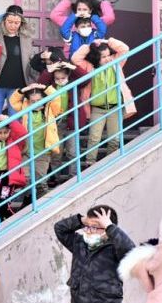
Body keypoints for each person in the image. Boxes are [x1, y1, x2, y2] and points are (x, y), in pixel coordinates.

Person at [54, 205, 136, 303]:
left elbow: (131, 251)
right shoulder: (79, 243)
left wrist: (110, 226)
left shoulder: (115, 248)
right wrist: (82, 220)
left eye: (95, 227)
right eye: (87, 226)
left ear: (107, 229)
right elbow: (59, 228)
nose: (89, 231)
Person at [71, 38, 137, 167]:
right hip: (97, 109)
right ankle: (90, 164)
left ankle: (110, 164)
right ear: (96, 58)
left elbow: (125, 49)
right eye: (103, 57)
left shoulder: (116, 62)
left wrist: (107, 41)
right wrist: (91, 45)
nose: (107, 59)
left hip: (115, 108)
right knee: (94, 139)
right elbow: (75, 58)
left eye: (108, 55)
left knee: (114, 139)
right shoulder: (89, 67)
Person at [0, 4, 39, 117]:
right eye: (10, 22)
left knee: (15, 123)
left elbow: (30, 59)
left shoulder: (26, 36)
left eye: (16, 23)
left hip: (17, 88)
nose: (13, 25)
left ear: (21, 23)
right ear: (4, 20)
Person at [37, 54, 90, 179]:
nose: (60, 80)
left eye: (63, 78)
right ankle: (55, 178)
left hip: (72, 121)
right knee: (56, 153)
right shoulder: (51, 85)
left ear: (68, 75)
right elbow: (40, 84)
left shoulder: (73, 82)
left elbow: (86, 78)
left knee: (73, 152)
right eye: (57, 78)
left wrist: (72, 66)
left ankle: (74, 177)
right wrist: (49, 70)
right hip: (56, 123)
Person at [9, 83, 64, 197]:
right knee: (26, 178)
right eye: (32, 101)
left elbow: (57, 97)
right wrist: (24, 90)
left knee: (40, 181)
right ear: (28, 102)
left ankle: (43, 201)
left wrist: (44, 87)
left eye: (39, 100)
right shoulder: (25, 109)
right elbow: (13, 101)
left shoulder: (50, 109)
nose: (36, 103)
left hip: (43, 152)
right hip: (27, 151)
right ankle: (28, 199)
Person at [50, 0, 116, 57]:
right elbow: (54, 16)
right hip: (73, 58)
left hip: (92, 58)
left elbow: (110, 18)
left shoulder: (97, 21)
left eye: (85, 9)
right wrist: (67, 2)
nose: (82, 12)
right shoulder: (70, 21)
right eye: (79, 9)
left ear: (90, 11)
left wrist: (103, 3)